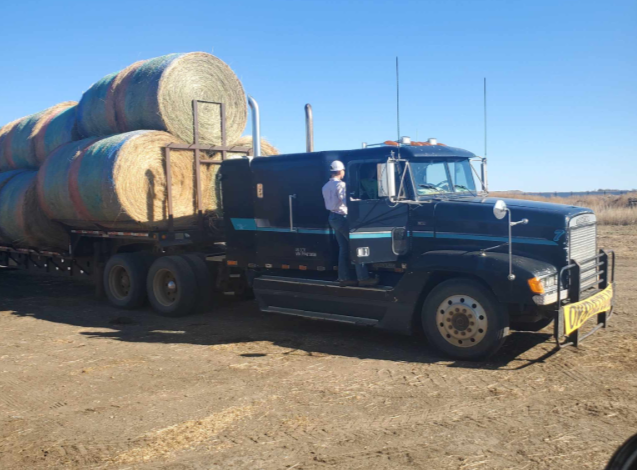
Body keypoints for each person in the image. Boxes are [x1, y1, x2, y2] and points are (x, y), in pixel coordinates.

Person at [322, 160, 378, 287]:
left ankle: (344, 278)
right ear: (340, 171)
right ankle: (363, 277)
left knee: (344, 248)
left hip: (332, 217)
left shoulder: (325, 186)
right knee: (357, 245)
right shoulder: (341, 185)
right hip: (342, 217)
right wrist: (359, 201)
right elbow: (346, 201)